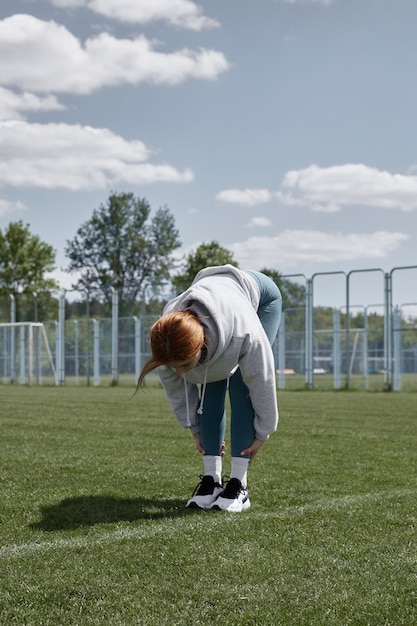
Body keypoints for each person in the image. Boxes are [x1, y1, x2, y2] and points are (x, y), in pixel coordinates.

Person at [136, 264, 282, 513]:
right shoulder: (166, 340)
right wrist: (194, 428)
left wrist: (263, 431)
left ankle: (239, 485)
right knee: (211, 383)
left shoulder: (243, 332)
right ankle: (211, 482)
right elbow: (177, 391)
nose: (180, 373)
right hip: (218, 300)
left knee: (239, 385)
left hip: (261, 298)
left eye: (184, 365)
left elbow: (261, 379)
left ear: (200, 345)